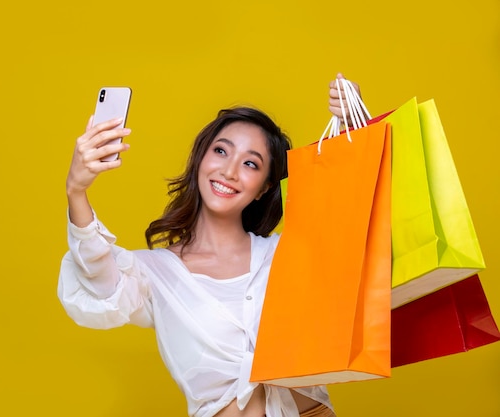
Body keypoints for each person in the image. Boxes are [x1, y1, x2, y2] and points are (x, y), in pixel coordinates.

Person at [58, 74, 361, 417]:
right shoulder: (154, 274)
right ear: (201, 158)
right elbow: (99, 284)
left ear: (263, 187)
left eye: (251, 163)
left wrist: (355, 135)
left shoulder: (285, 255)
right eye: (220, 151)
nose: (230, 171)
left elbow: (356, 245)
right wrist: (76, 191)